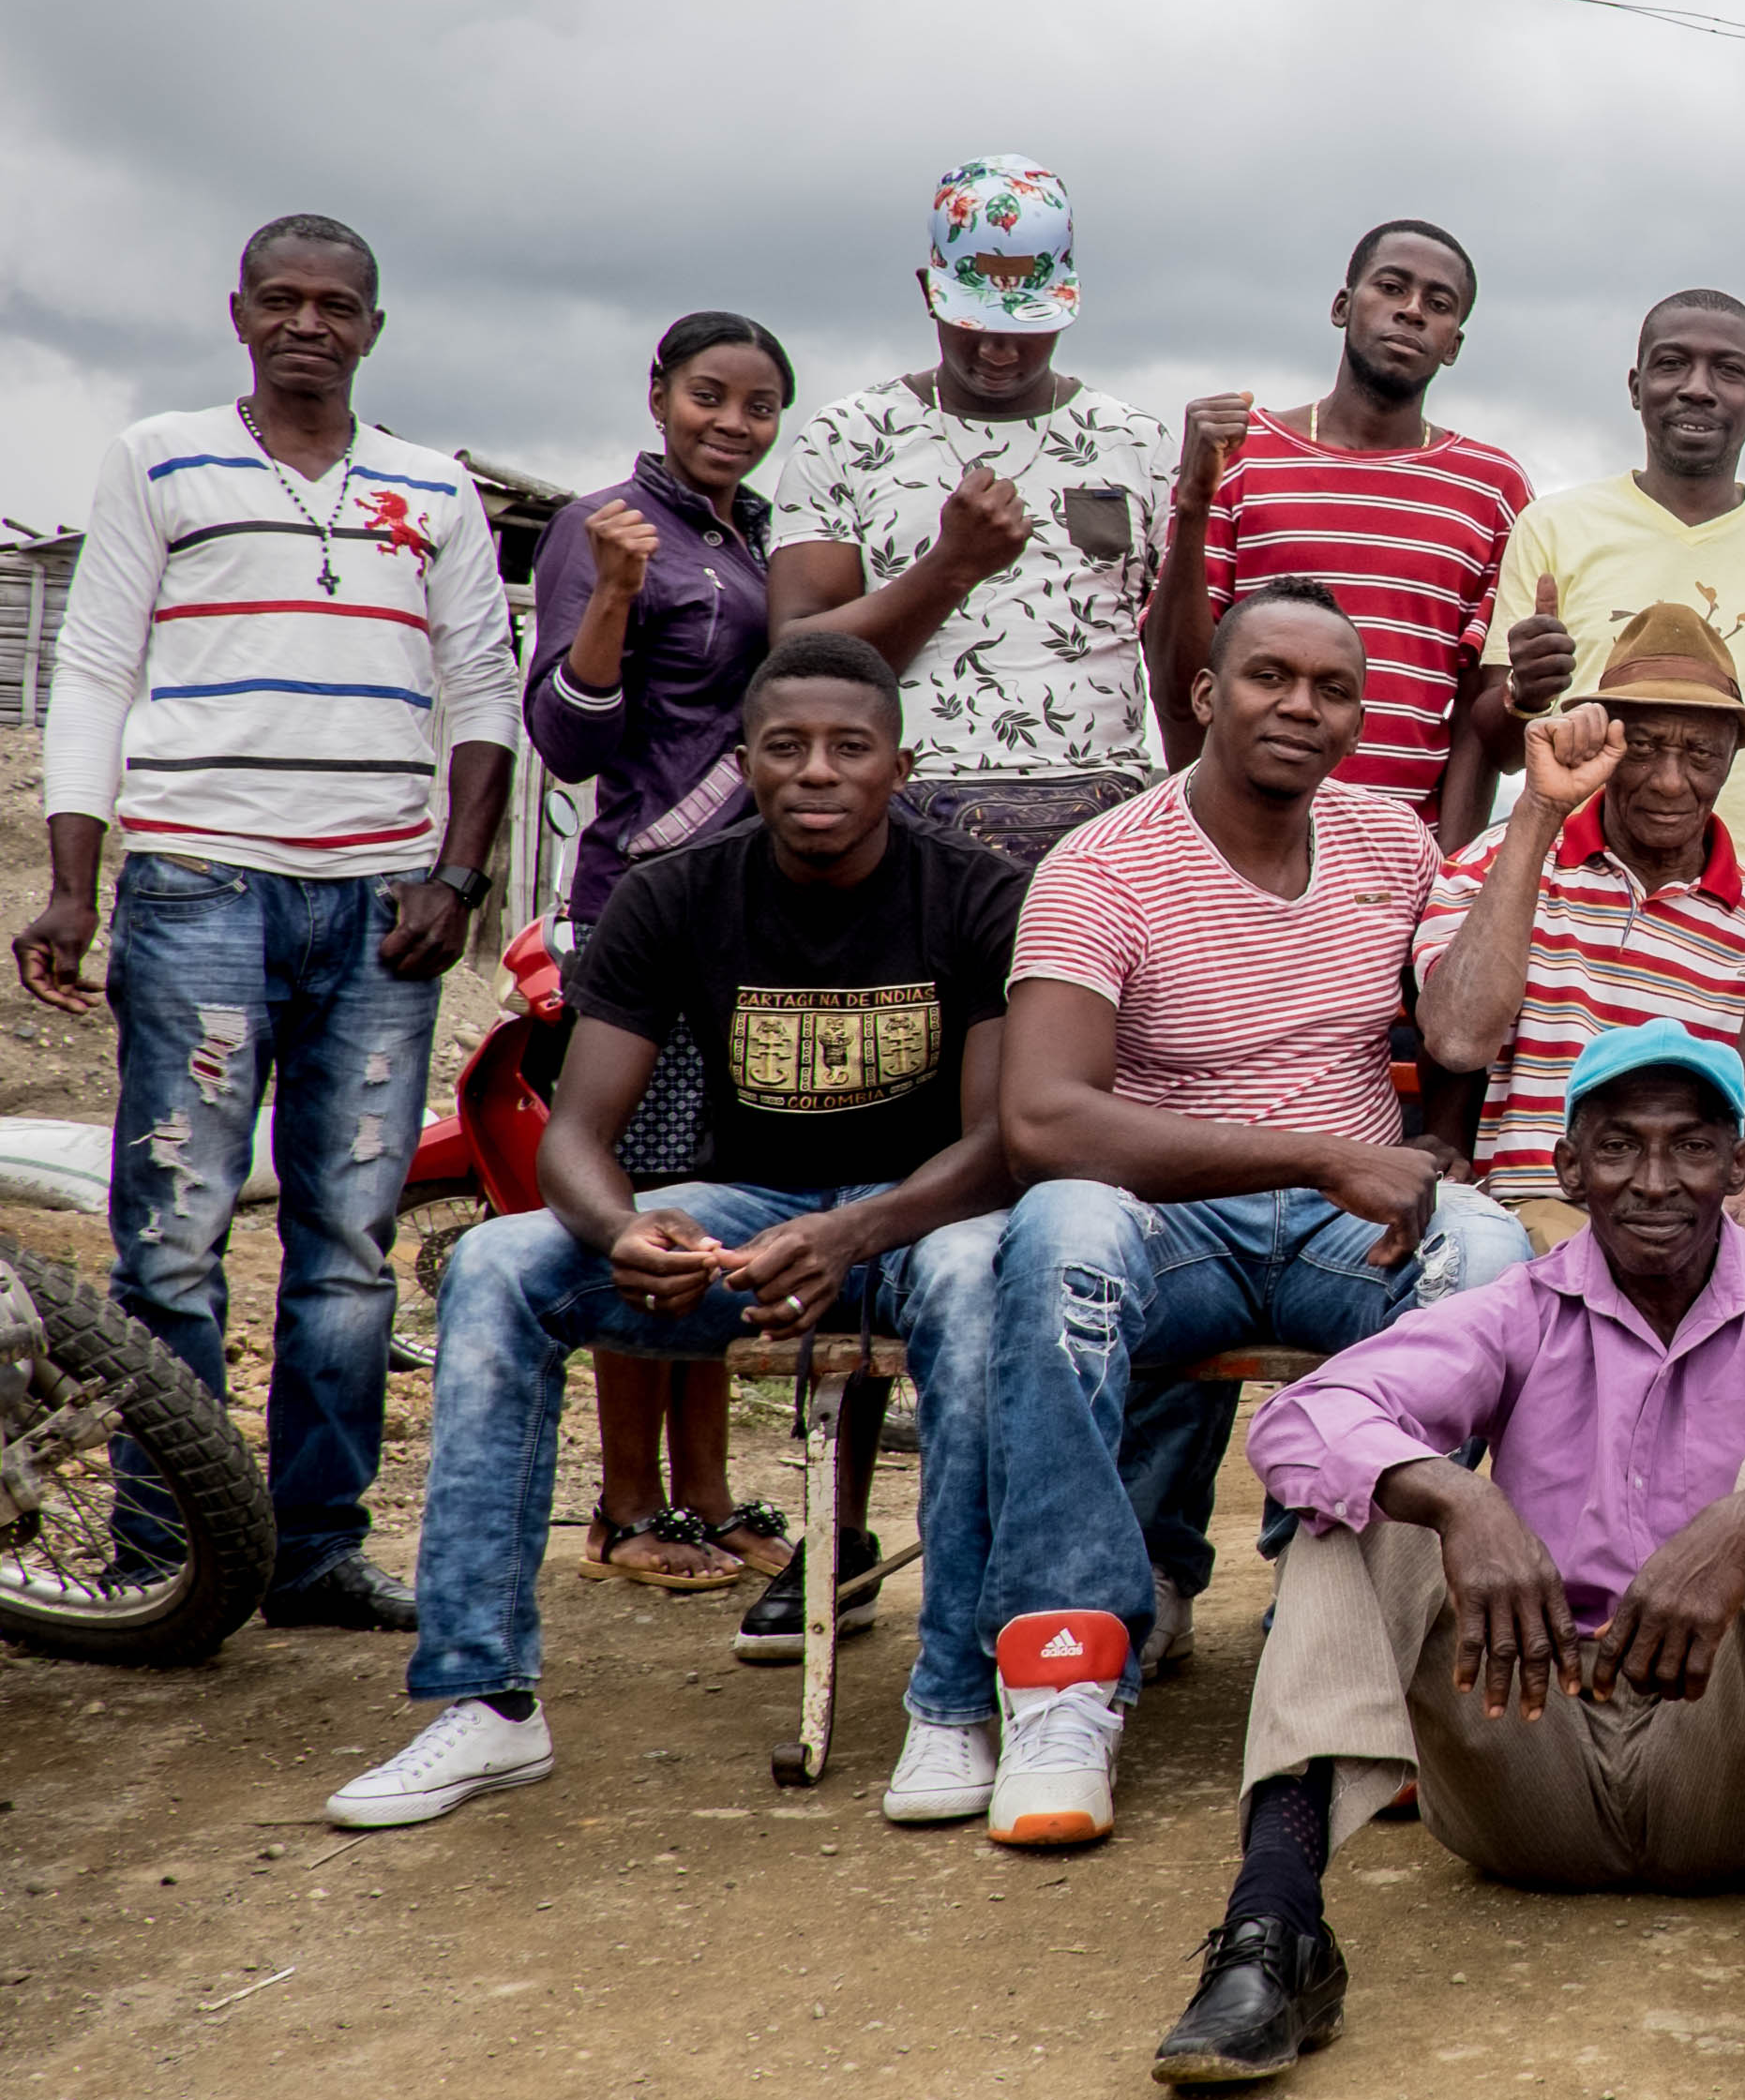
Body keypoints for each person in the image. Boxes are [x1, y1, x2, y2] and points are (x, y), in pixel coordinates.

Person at [1151, 1020, 1745, 2100]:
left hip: (1738, 1778)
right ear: (1568, 1168)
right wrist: (1456, 1492)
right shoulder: (1514, 1306)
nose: (1655, 1181)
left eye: (1689, 1148)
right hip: (1526, 1756)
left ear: (1738, 1167)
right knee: (1369, 1494)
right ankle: (1272, 1932)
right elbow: (1304, 1421)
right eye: (1619, 1147)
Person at [324, 637, 1031, 1830]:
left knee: (971, 1273)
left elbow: (1003, 1144)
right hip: (749, 1221)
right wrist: (621, 1230)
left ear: (898, 767)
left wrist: (856, 1233)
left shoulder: (976, 893)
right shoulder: (675, 892)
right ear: (744, 759)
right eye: (787, 746)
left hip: (924, 1216)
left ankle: (954, 1699)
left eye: (850, 748)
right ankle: (486, 1703)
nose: (818, 771)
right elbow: (577, 1132)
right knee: (500, 1262)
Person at [17, 214, 516, 1633]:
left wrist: (458, 881)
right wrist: (74, 877)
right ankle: (162, 1549)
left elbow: (484, 693)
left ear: (372, 325)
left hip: (381, 912)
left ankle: (310, 1552)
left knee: (347, 1248)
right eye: (283, 301)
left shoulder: (434, 489)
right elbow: (98, 667)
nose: (310, 323)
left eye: (337, 304)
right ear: (240, 313)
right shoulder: (160, 457)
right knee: (169, 1240)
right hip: (198, 889)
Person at [985, 578, 1512, 1839]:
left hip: (1349, 1235)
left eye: (1335, 689)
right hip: (1174, 1228)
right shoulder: (1104, 865)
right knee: (1058, 1233)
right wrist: (1313, 1160)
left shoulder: (1390, 844)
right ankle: (1067, 1673)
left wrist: (1430, 1147)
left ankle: (1345, 1638)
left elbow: (1454, 1037)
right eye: (1271, 677)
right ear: (1209, 694)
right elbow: (1044, 1120)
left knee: (1489, 1254)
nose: (1302, 707)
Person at [523, 310, 801, 1600]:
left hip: (734, 918)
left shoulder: (744, 535)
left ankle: (703, 1494)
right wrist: (619, 592)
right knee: (636, 1207)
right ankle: (626, 1500)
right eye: (708, 396)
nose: (729, 424)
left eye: (755, 406)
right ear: (657, 395)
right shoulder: (608, 530)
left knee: (708, 1198)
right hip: (642, 902)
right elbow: (569, 742)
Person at [767, 157, 1192, 869]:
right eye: (973, 323)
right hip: (906, 814)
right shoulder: (848, 436)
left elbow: (1180, 669)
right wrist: (951, 567)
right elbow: (796, 662)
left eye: (1027, 324)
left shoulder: (1136, 442)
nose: (999, 347)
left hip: (1102, 821)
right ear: (927, 293)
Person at [1151, 218, 1555, 845]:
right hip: (1233, 842)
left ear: (1453, 343)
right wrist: (1193, 505)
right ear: (1343, 306)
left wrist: (1446, 870)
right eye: (1391, 287)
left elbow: (1480, 717)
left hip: (1397, 855)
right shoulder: (1241, 455)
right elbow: (1180, 683)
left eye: (1438, 304)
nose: (1412, 312)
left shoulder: (1493, 489)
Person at [1415, 605, 1745, 1244]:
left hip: (1699, 1225)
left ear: (1729, 761)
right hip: (1535, 1217)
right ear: (1604, 742)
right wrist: (1541, 807)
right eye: (1641, 748)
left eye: (1699, 754)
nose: (1670, 781)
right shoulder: (1501, 864)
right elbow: (1458, 1041)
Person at [1489, 291, 1745, 862]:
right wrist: (1525, 694)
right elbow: (1500, 748)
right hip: (1567, 889)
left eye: (1728, 370)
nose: (1697, 387)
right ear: (1636, 387)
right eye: (1672, 363)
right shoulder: (1553, 528)